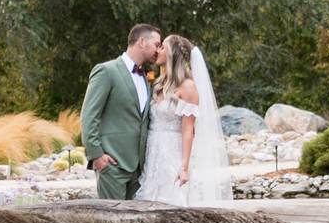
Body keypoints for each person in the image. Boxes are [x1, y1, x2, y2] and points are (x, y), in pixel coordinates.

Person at [134, 34, 232, 205]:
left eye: (162, 47)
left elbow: (188, 130)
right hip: (153, 151)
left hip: (172, 152)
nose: (158, 50)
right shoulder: (158, 84)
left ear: (173, 54)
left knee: (171, 200)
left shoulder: (188, 87)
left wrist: (184, 167)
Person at [81, 24, 162, 200]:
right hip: (112, 165)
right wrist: (97, 156)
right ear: (142, 42)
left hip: (138, 169)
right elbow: (89, 116)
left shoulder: (146, 78)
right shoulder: (106, 71)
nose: (158, 50)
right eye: (156, 44)